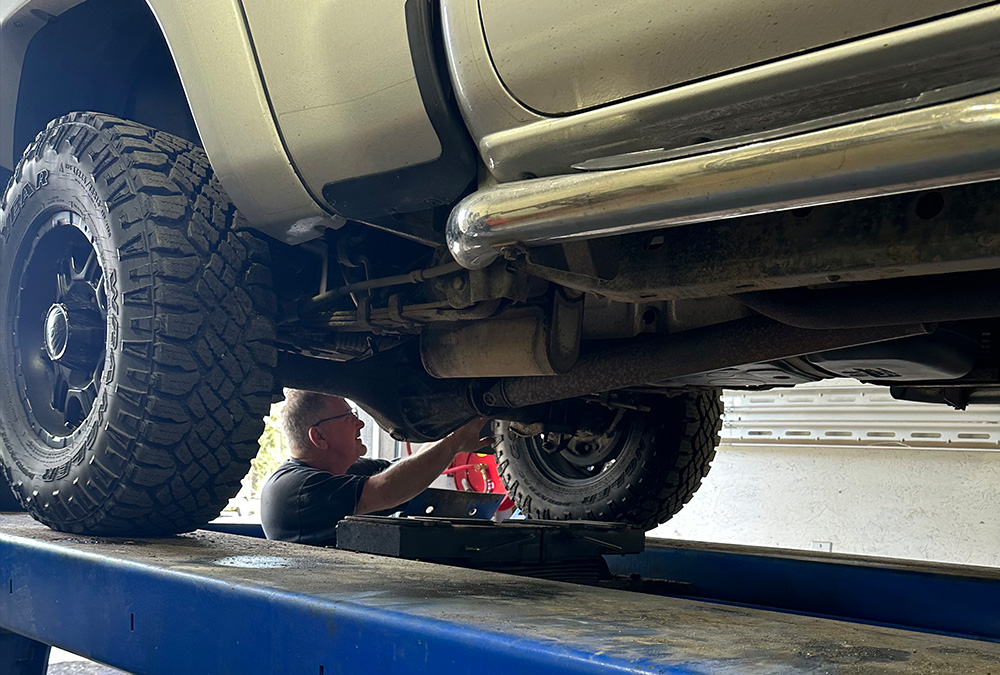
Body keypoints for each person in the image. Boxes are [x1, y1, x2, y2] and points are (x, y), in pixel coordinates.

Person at [260, 389, 489, 546]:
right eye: (349, 417)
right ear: (319, 436)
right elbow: (387, 488)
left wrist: (455, 433)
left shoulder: (338, 471)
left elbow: (403, 472)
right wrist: (455, 441)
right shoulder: (298, 489)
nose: (360, 424)